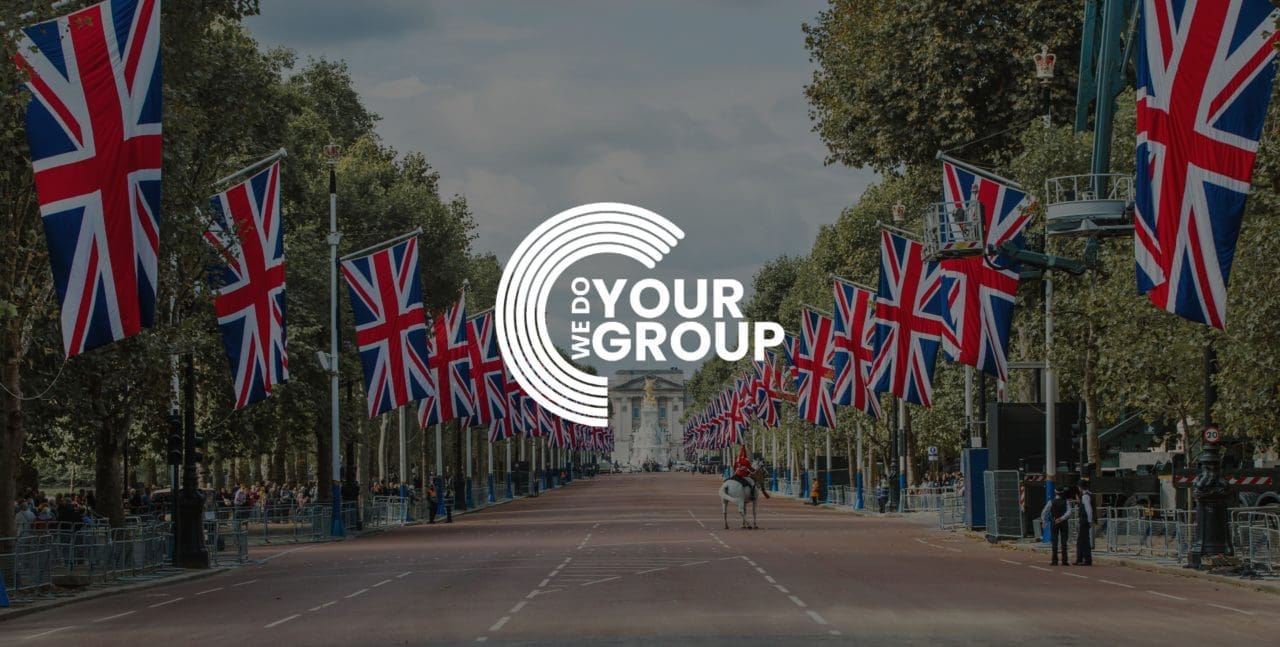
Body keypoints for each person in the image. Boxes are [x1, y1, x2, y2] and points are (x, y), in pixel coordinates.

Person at [1046, 488, 1071, 566]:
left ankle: (1054, 560)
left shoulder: (1051, 502)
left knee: (1054, 541)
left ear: (1055, 492)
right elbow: (1069, 512)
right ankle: (1064, 560)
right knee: (1064, 541)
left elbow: (1045, 511)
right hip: (1063, 522)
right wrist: (1062, 518)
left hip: (1054, 522)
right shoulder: (1066, 501)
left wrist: (1044, 520)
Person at [1075, 479, 1094, 566]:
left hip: (1084, 521)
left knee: (1083, 541)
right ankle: (1081, 559)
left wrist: (1089, 521)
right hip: (1085, 521)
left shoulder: (1085, 496)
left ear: (1080, 487)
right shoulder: (1088, 494)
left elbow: (1088, 509)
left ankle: (1085, 560)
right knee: (1083, 540)